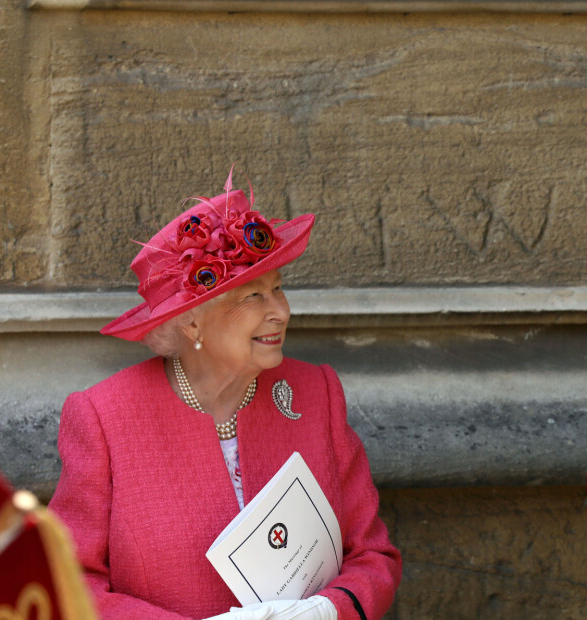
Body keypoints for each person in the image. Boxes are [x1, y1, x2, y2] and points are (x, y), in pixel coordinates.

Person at [49, 169, 402, 620]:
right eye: (252, 296)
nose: (280, 312)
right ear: (191, 322)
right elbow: (68, 586)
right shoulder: (104, 417)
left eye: (278, 288)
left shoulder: (316, 393)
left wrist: (326, 611)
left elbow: (373, 557)